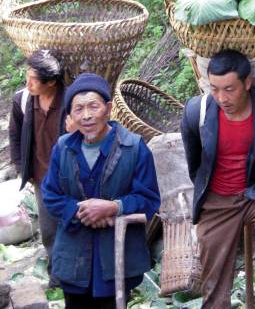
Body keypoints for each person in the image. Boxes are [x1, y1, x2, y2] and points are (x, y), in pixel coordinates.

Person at [180, 49, 255, 309]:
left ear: (247, 83)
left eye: (229, 89)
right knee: (212, 266)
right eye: (214, 89)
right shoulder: (196, 113)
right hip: (217, 199)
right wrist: (209, 195)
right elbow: (196, 164)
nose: (221, 98)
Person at [41, 73, 160, 309]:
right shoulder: (63, 148)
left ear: (108, 108)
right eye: (78, 109)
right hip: (74, 257)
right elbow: (50, 194)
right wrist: (81, 212)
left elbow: (148, 199)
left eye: (93, 107)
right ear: (70, 115)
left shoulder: (134, 148)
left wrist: (113, 208)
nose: (86, 115)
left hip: (116, 256)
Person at [9, 49, 66, 288]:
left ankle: (79, 274)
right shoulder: (22, 100)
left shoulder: (71, 101)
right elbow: (15, 135)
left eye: (34, 79)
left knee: (74, 226)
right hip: (42, 177)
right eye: (27, 75)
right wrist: (23, 169)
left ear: (51, 82)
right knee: (49, 230)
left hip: (71, 178)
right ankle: (57, 278)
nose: (28, 82)